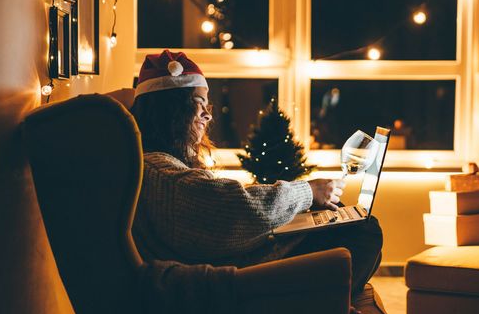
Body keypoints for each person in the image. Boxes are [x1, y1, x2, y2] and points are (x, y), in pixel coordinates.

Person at [130, 50, 383, 294]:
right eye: (199, 104)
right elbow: (234, 207)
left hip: (239, 256)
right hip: (243, 273)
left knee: (343, 219)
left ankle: (332, 303)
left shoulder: (158, 164)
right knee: (364, 232)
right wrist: (308, 191)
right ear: (172, 110)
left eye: (208, 106)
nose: (207, 115)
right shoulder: (161, 174)